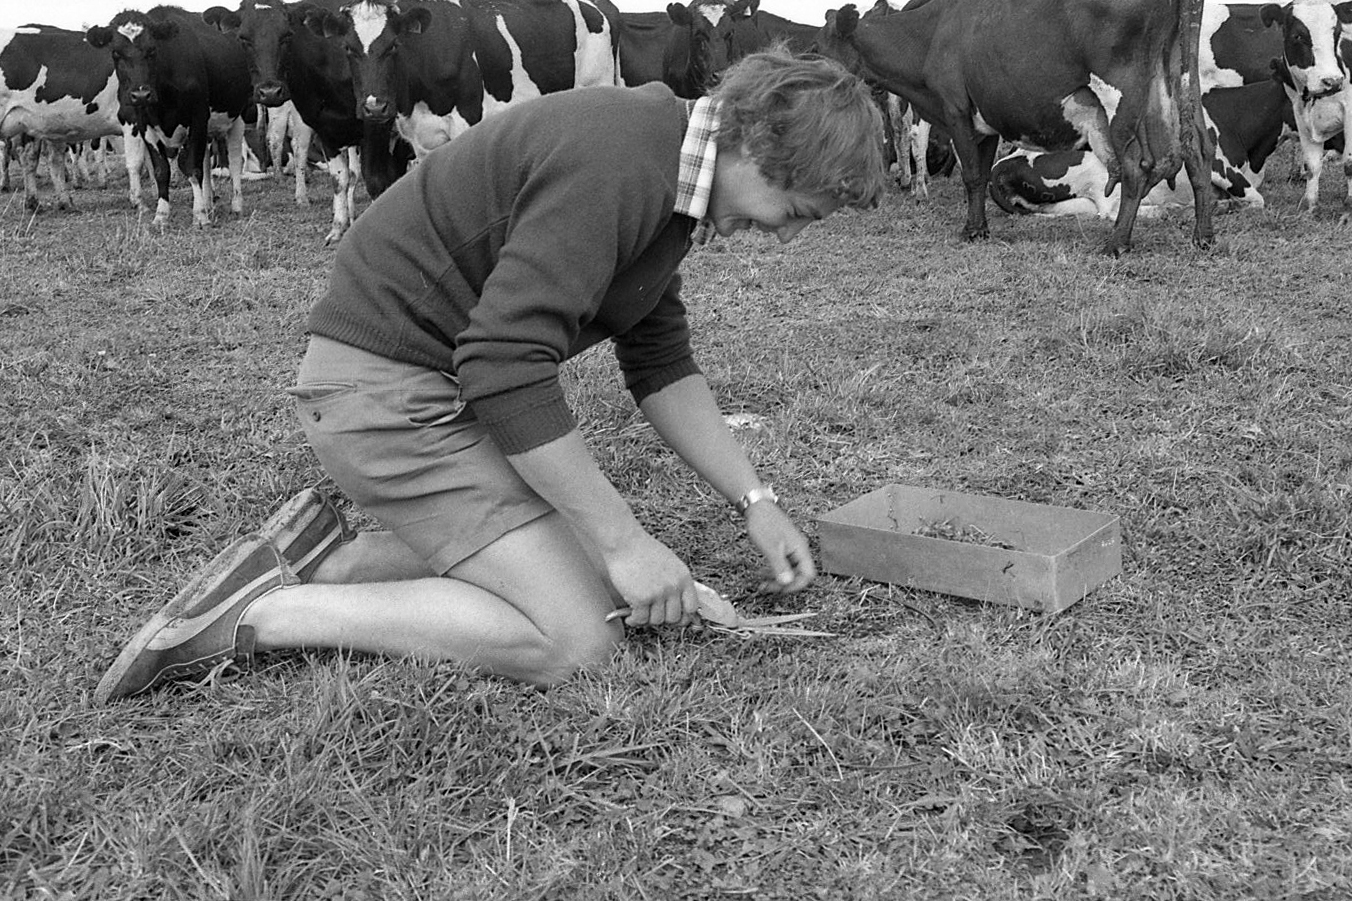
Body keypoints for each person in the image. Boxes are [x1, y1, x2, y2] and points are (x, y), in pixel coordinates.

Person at [95, 47, 886, 703]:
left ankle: (329, 558)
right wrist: (624, 543)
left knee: (606, 583)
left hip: (421, 392)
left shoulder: (669, 171)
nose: (783, 239)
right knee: (578, 643)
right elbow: (503, 366)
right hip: (383, 400)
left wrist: (754, 501)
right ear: (759, 149)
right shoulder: (620, 158)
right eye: (798, 215)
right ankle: (270, 614)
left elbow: (659, 357)